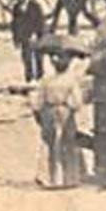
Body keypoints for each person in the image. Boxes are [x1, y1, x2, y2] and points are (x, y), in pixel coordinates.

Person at [30, 52, 88, 189]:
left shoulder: (46, 80)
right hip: (65, 112)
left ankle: (49, 178)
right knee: (68, 143)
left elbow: (38, 100)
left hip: (49, 112)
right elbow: (77, 102)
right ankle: (69, 178)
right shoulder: (71, 80)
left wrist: (38, 112)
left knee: (50, 144)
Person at [13, 0, 45, 82]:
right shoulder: (16, 7)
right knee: (26, 58)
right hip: (24, 37)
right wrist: (16, 39)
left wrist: (38, 34)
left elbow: (40, 21)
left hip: (35, 36)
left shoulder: (35, 6)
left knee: (38, 58)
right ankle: (29, 78)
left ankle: (40, 76)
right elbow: (15, 24)